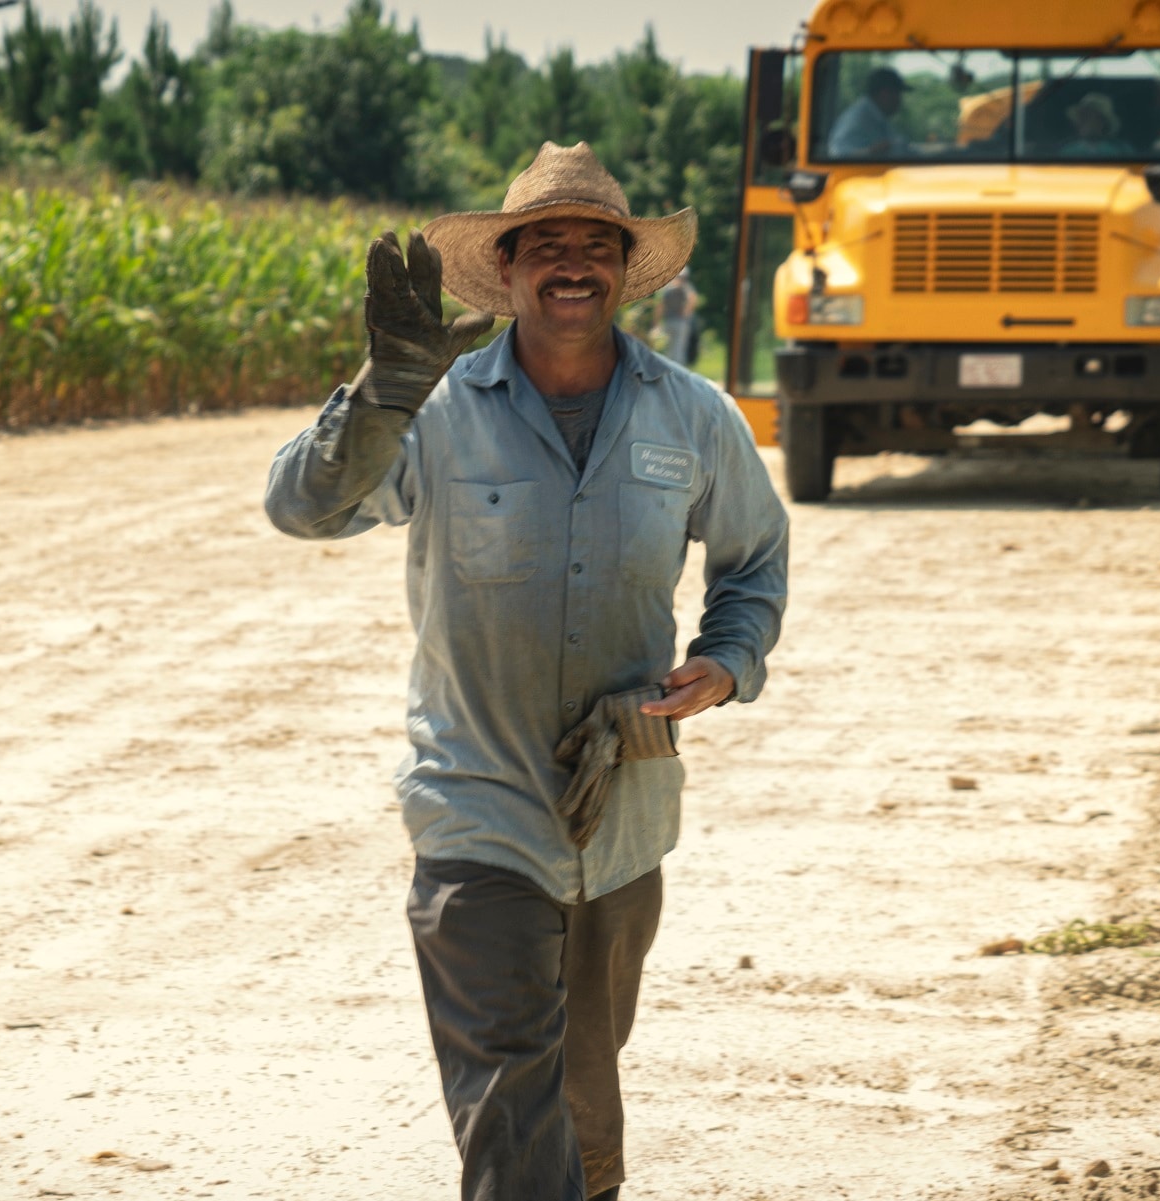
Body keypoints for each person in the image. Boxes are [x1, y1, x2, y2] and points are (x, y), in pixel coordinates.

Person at [262, 141, 789, 1201]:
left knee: (580, 1096)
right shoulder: (434, 408)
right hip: (476, 811)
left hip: (622, 817)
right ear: (503, 271)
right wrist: (384, 386)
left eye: (594, 244)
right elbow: (302, 507)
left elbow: (754, 560)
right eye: (543, 243)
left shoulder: (693, 417)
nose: (570, 263)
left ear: (625, 270)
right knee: (511, 1092)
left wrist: (724, 664)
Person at [828, 65, 912, 158]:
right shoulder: (858, 119)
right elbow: (838, 154)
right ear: (885, 93)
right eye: (897, 94)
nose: (899, 101)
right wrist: (871, 151)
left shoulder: (876, 117)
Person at [1060, 91, 1132, 158]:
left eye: (1087, 116)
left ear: (1102, 121)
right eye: (1081, 116)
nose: (1082, 121)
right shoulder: (1068, 152)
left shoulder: (1122, 151)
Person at [655, 266, 698, 366]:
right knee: (677, 349)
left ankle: (673, 370)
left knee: (672, 349)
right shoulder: (686, 287)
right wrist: (688, 312)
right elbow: (693, 299)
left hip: (672, 321)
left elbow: (660, 306)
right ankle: (674, 370)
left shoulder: (667, 287)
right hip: (677, 322)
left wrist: (656, 322)